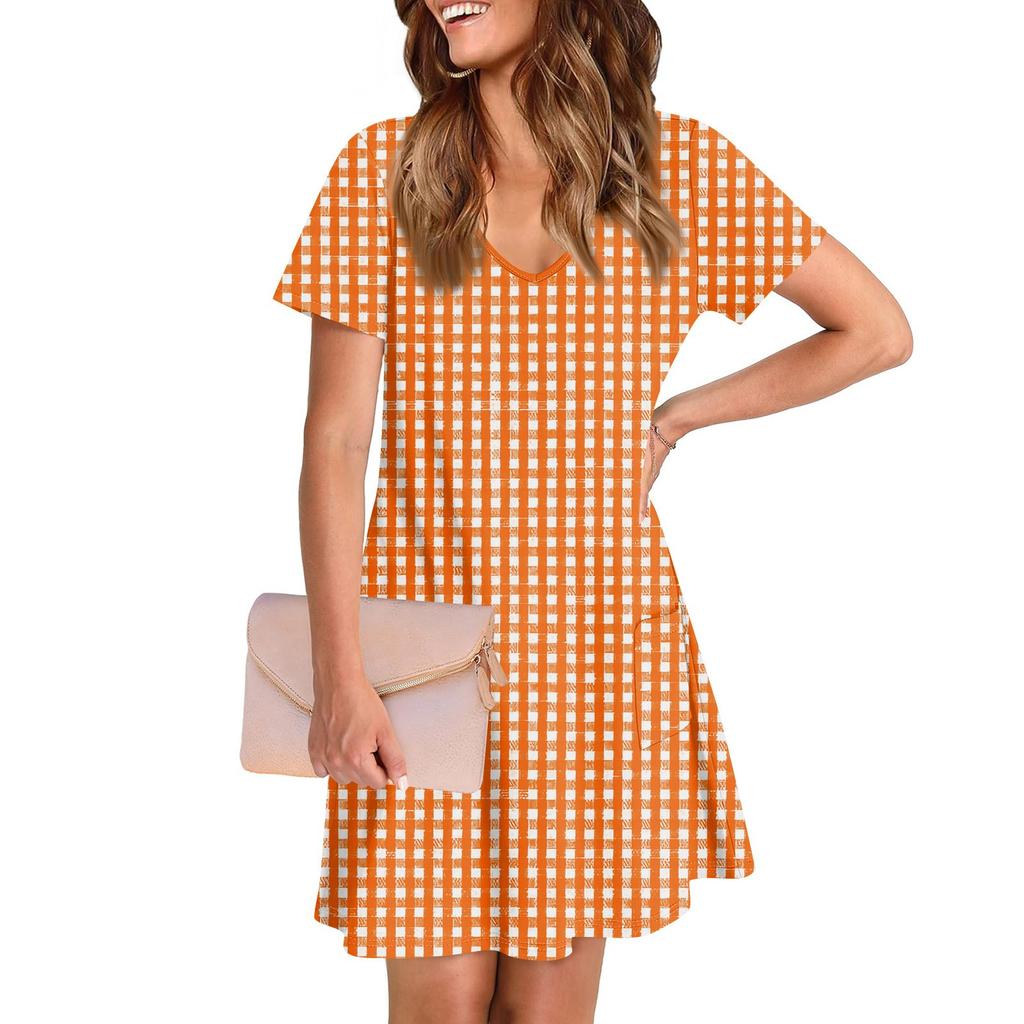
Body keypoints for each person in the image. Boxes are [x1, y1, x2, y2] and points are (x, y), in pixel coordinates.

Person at [270, 2, 912, 1021]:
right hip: (424, 655)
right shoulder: (381, 173)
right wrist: (339, 672)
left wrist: (675, 420)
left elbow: (875, 330)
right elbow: (335, 443)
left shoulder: (678, 170)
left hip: (596, 653)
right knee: (439, 1006)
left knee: (544, 1014)